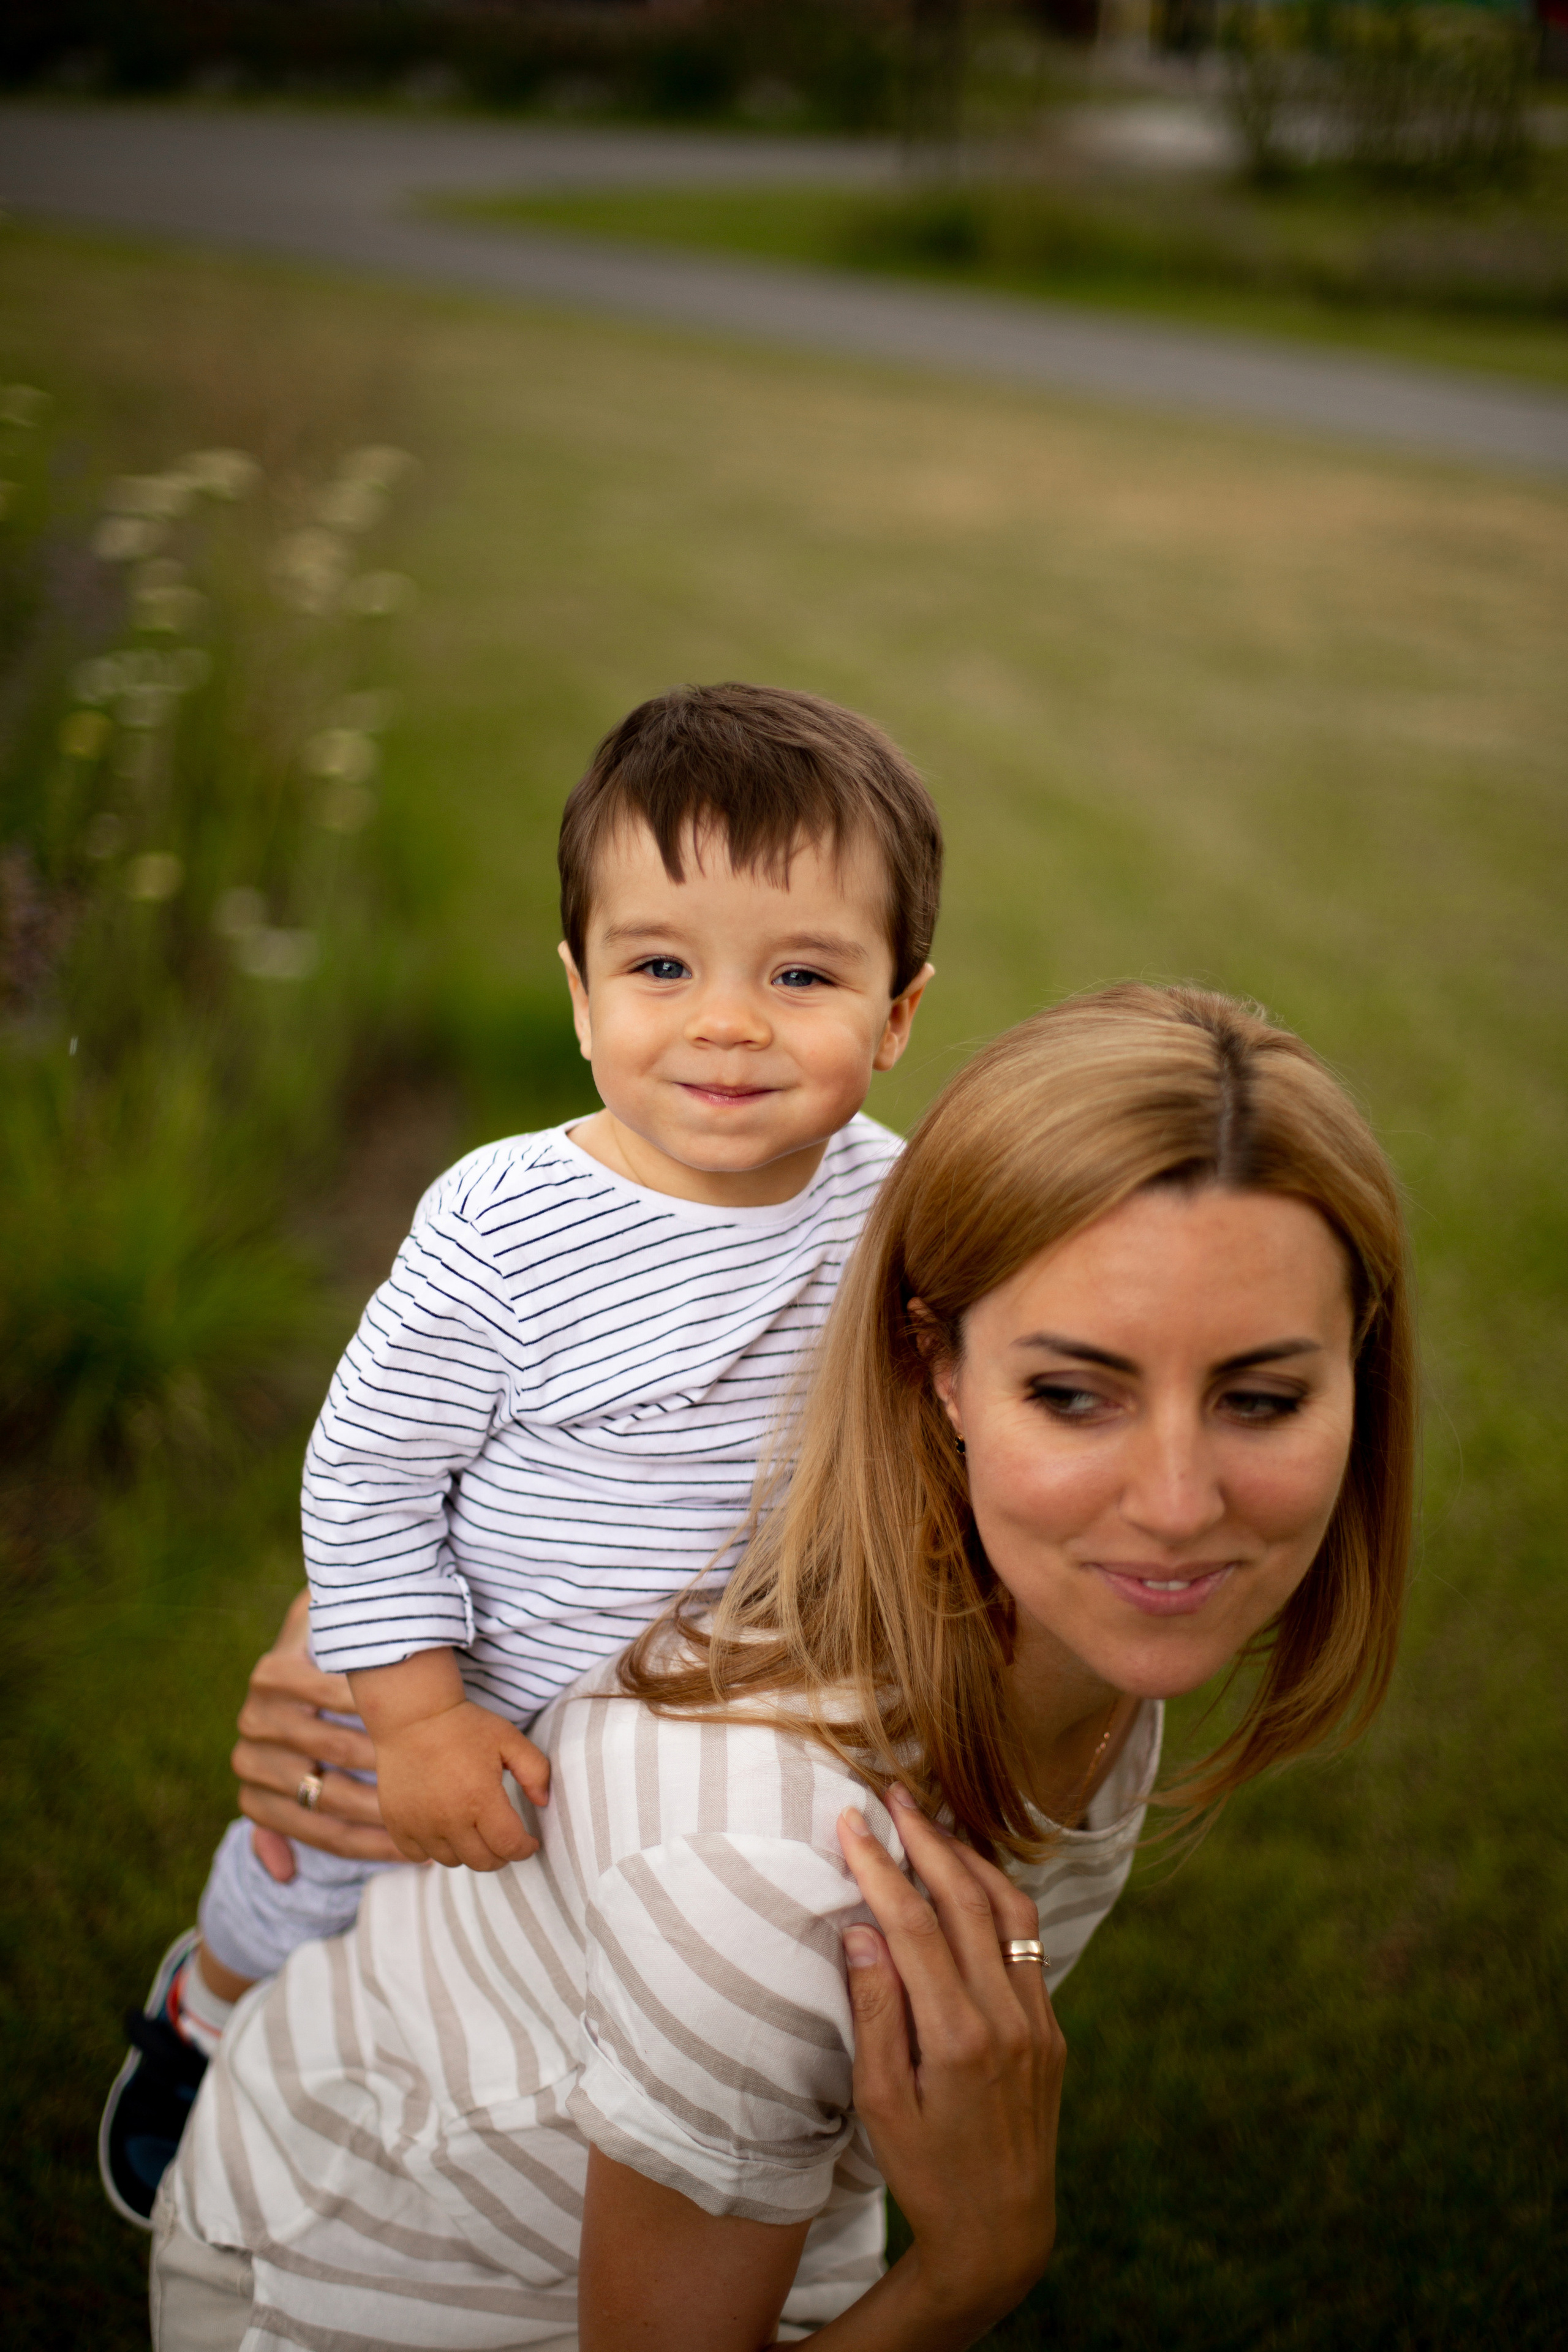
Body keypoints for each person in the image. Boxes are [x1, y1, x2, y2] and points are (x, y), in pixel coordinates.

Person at [151, 982, 1415, 2351]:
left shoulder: (1078, 1634)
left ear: (1357, 1380)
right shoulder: (769, 1861)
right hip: (367, 2281)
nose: (1175, 1504)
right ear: (936, 1372)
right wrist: (974, 2266)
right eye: (1070, 1393)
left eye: (1259, 1397)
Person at [100, 681, 941, 2226]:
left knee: (553, 1978)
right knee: (317, 1860)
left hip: (679, 1700)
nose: (728, 1021)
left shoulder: (892, 1212)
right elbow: (366, 1474)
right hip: (459, 1672)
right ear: (578, 993)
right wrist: (412, 1716)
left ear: (895, 1015)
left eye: (804, 973)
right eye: (661, 965)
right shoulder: (506, 1223)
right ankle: (207, 2009)